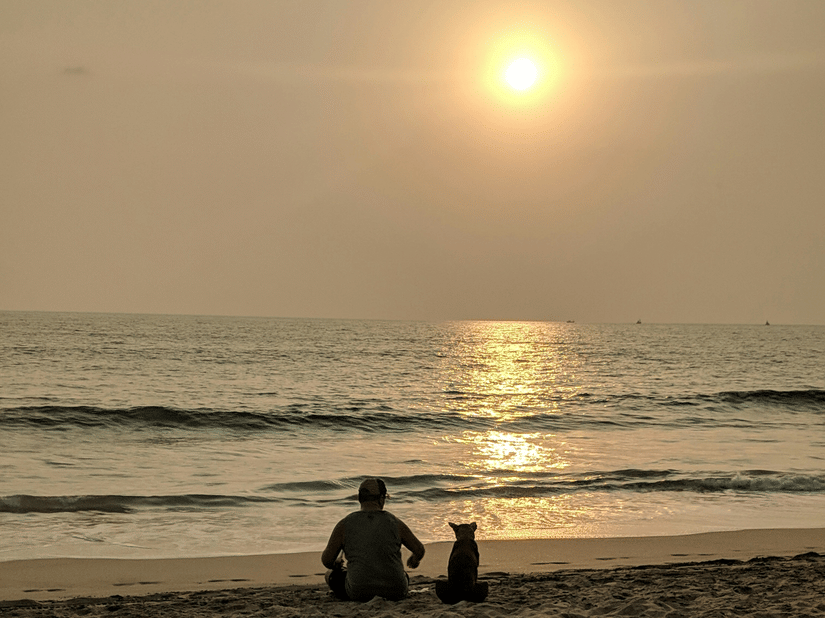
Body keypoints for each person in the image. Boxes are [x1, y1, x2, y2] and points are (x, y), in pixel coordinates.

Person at [321, 478, 426, 601]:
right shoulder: (395, 522)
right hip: (396, 591)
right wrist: (414, 559)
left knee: (330, 575)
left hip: (359, 593)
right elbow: (419, 549)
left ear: (360, 499)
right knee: (403, 576)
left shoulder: (345, 524)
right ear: (381, 499)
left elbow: (327, 560)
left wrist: (335, 564)